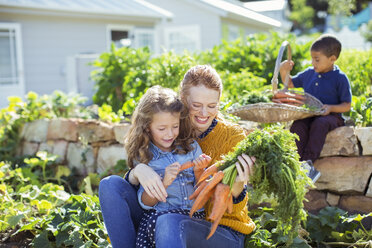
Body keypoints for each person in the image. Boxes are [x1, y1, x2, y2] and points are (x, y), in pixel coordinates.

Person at [99, 65, 256, 248]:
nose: (204, 114)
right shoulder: (169, 127)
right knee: (110, 185)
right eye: (196, 106)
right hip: (165, 217)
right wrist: (138, 171)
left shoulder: (231, 136)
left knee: (168, 221)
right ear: (183, 101)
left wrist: (238, 184)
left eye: (212, 106)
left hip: (220, 231)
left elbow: (231, 206)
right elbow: (145, 184)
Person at [123, 85, 210, 247]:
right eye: (162, 129)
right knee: (163, 222)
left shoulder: (191, 147)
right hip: (162, 218)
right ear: (147, 127)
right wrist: (163, 183)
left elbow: (204, 194)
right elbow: (145, 202)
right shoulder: (144, 156)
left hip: (194, 219)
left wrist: (199, 172)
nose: (170, 134)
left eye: (175, 126)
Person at [279, 34, 352, 180]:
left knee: (320, 124)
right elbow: (290, 83)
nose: (313, 62)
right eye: (312, 58)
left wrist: (331, 108)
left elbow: (347, 105)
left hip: (330, 117)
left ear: (332, 59)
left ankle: (307, 164)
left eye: (317, 59)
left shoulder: (340, 78)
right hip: (309, 115)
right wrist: (283, 70)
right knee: (298, 126)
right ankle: (295, 163)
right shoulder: (309, 74)